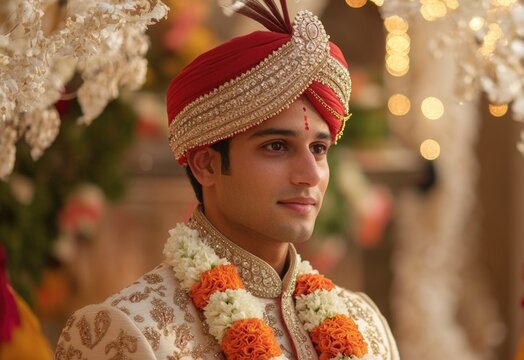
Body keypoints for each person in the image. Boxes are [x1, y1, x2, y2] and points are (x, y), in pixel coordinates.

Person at [55, 1, 400, 359]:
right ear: (205, 165)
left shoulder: (365, 325)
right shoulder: (128, 331)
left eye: (318, 149)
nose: (310, 174)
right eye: (277, 146)